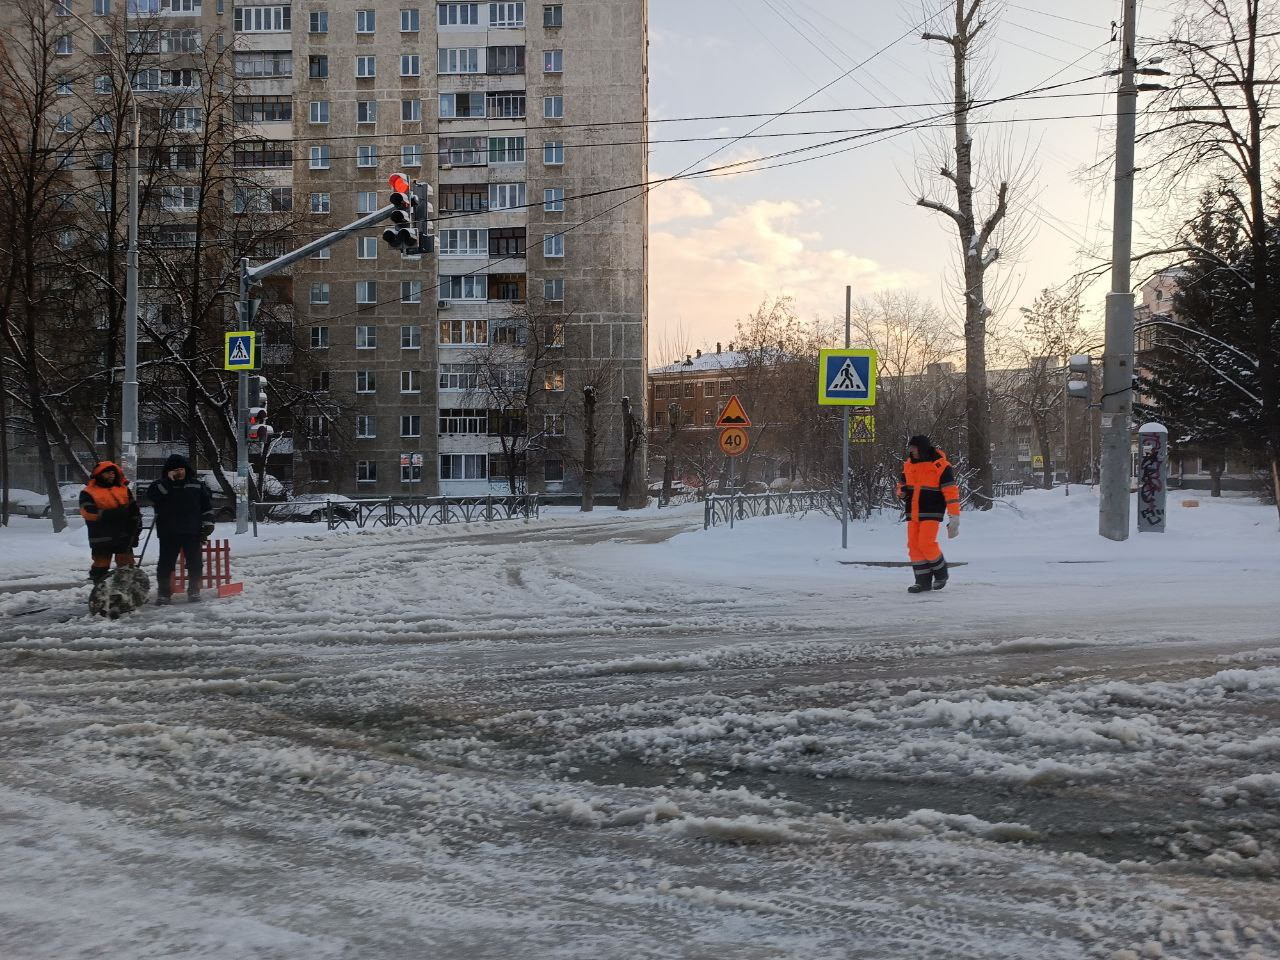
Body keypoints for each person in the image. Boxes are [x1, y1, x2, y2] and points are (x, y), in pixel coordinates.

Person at [896, 435, 961, 594]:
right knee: (913, 546)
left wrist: (954, 516)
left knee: (926, 543)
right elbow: (901, 484)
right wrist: (901, 491)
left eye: (914, 448)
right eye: (910, 448)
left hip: (932, 511)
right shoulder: (908, 465)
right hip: (913, 512)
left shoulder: (941, 466)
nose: (911, 451)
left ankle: (941, 573)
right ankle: (922, 582)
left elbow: (951, 492)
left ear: (922, 447)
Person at [148, 454, 214, 604]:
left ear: (186, 469)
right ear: (169, 471)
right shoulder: (160, 485)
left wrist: (209, 523)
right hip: (168, 532)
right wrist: (168, 481)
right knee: (165, 564)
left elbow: (206, 507)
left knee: (195, 563)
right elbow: (153, 496)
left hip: (192, 531)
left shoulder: (197, 485)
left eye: (181, 469)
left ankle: (194, 591)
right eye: (175, 470)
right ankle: (164, 594)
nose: (179, 472)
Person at [79, 461, 143, 585]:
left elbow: (134, 511)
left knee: (127, 567)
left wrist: (136, 527)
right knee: (100, 567)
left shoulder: (124, 490)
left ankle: (128, 592)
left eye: (113, 472)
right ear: (99, 474)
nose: (111, 475)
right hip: (101, 536)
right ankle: (101, 595)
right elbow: (88, 512)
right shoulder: (88, 492)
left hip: (123, 534)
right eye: (107, 473)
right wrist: (115, 514)